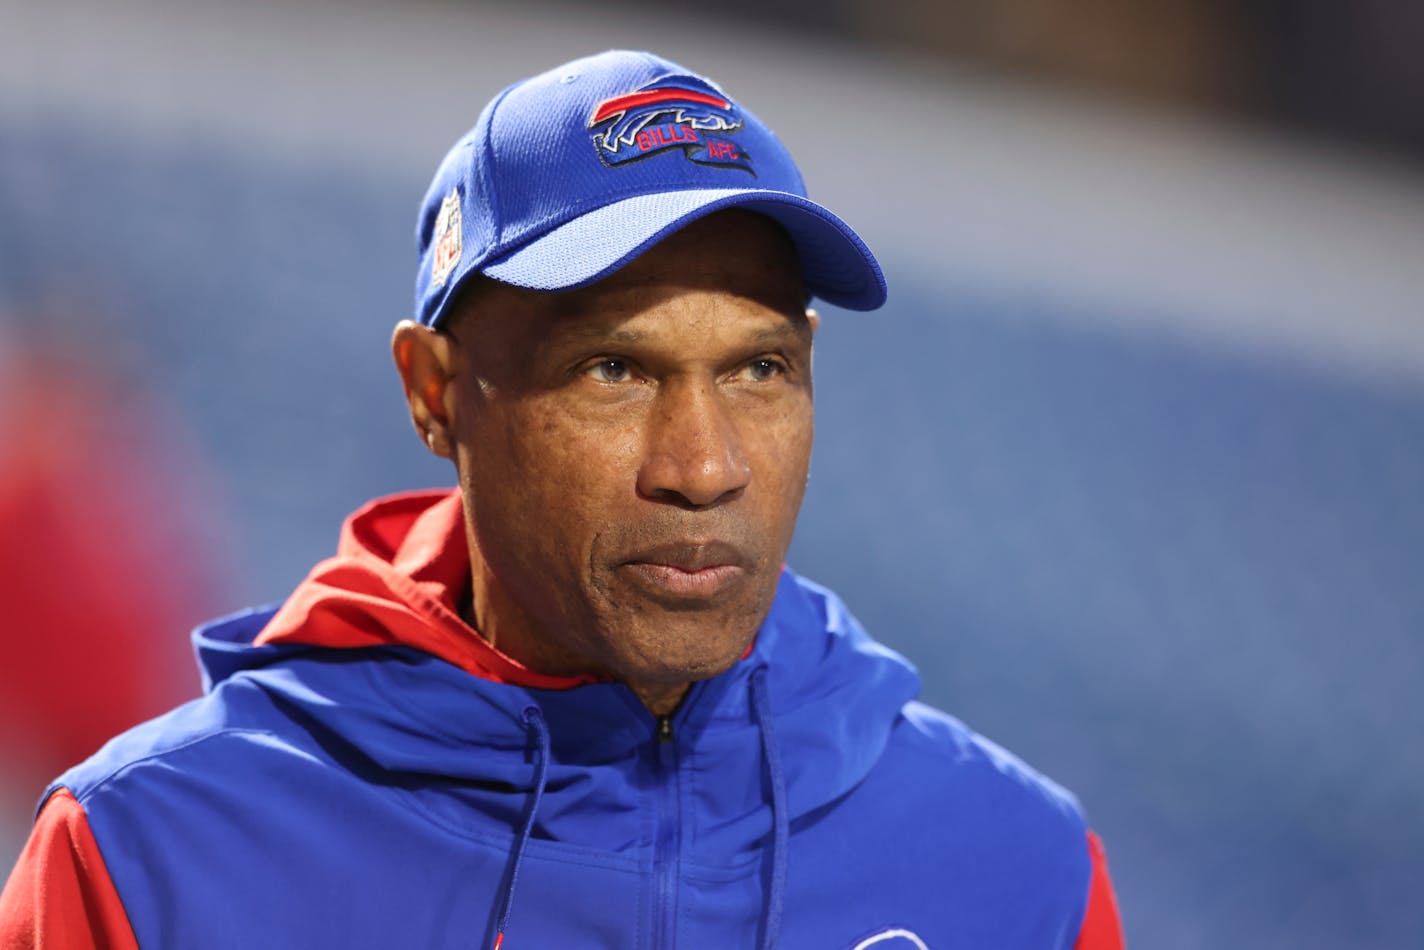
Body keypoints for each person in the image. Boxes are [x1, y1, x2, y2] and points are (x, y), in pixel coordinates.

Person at [0, 50, 1124, 948]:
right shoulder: (151, 860)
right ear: (433, 392)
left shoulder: (1015, 865)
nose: (702, 465)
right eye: (614, 370)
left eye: (758, 369)